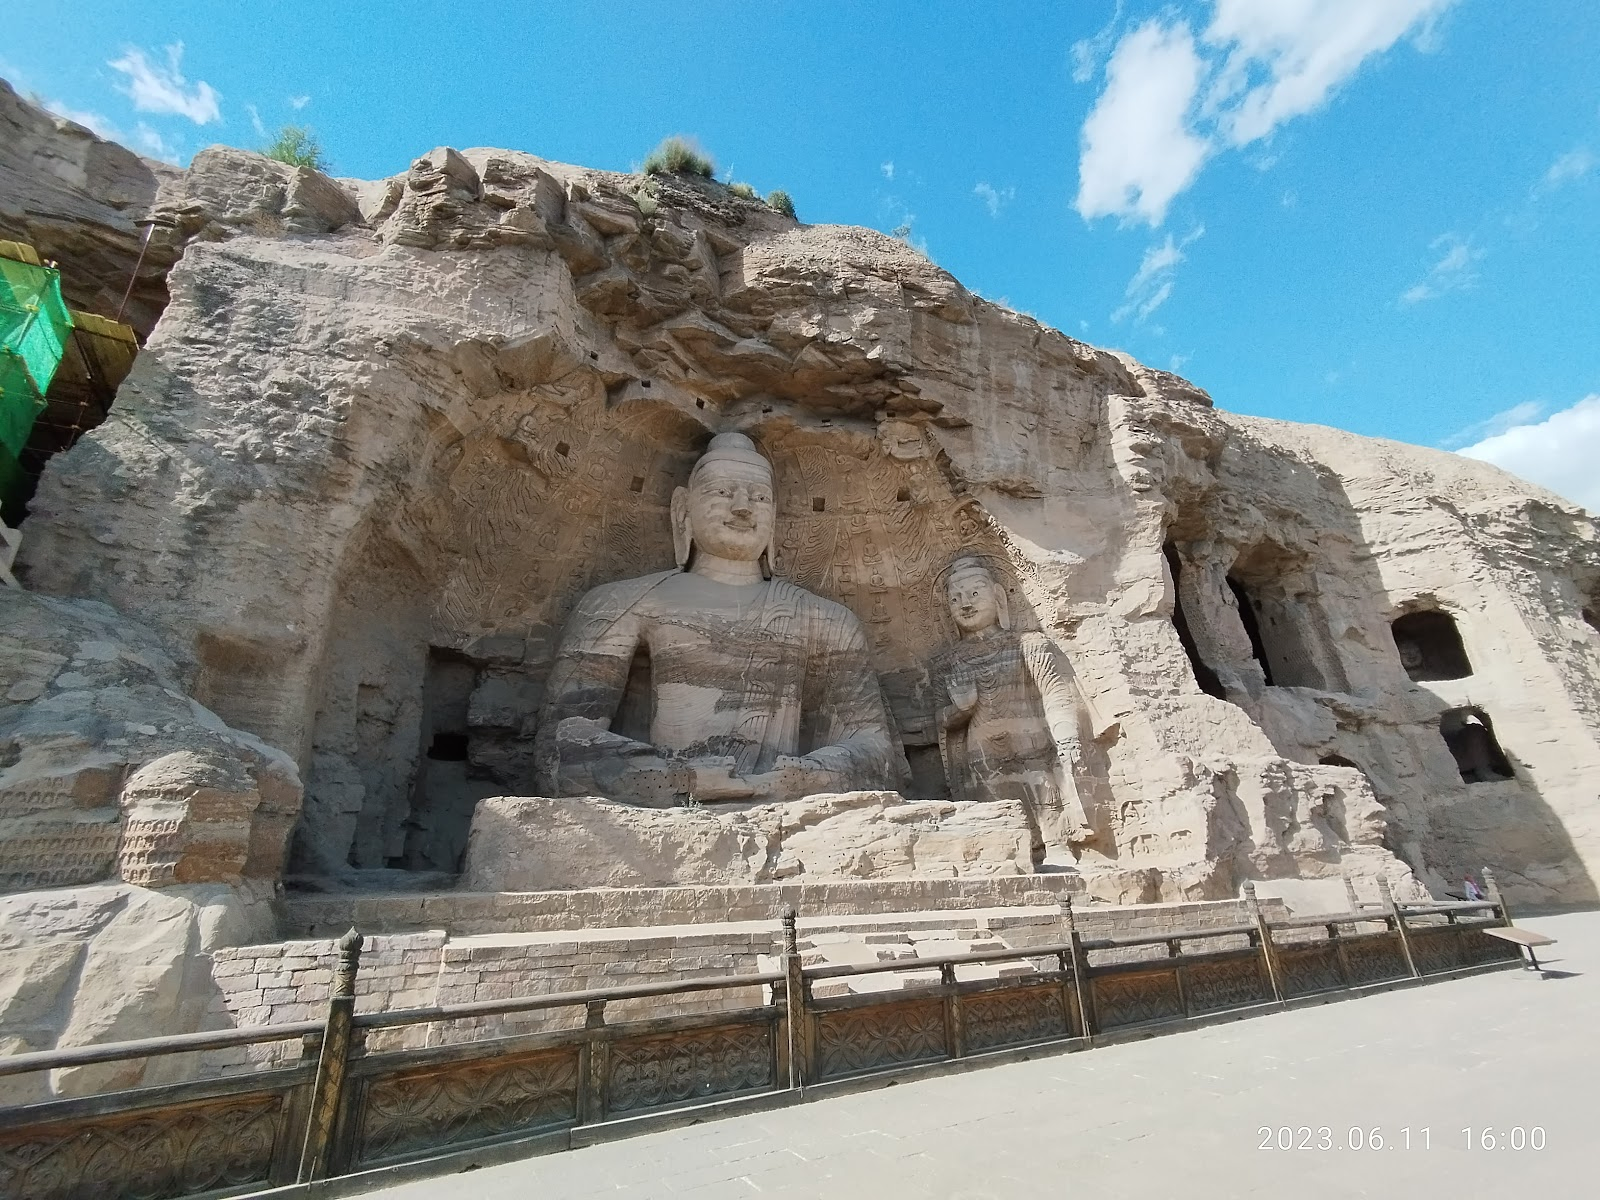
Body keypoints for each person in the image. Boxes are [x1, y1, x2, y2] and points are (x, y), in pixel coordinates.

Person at [533, 432, 899, 806]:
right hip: (662, 812)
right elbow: (560, 746)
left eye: (760, 497)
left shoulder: (827, 619)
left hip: (784, 809)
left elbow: (877, 753)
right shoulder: (624, 603)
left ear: (776, 518)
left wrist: (804, 776)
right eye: (723, 492)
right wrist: (679, 777)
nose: (743, 508)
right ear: (682, 508)